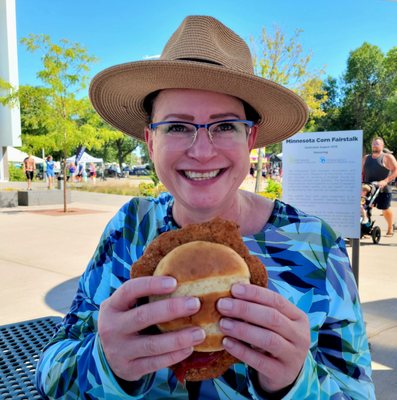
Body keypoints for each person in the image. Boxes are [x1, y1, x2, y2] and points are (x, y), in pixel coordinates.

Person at [36, 16, 374, 399]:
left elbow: (358, 391)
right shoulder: (130, 229)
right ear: (150, 141)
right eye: (177, 126)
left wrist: (295, 382)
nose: (201, 151)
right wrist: (104, 364)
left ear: (251, 139)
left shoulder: (315, 245)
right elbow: (50, 374)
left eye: (225, 126)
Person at [362, 137, 397, 237]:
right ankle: (366, 229)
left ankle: (390, 227)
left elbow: (395, 170)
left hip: (383, 189)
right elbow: (361, 172)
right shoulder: (366, 158)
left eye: (377, 144)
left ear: (382, 146)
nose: (374, 145)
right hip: (368, 187)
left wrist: (385, 181)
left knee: (385, 209)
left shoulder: (387, 157)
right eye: (373, 143)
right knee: (365, 208)